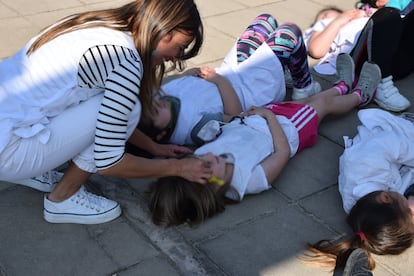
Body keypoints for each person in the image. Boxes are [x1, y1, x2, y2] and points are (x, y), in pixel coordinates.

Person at [0, 0, 210, 225]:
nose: (176, 58)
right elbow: (109, 162)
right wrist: (178, 168)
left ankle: (36, 170)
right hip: (8, 151)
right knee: (131, 109)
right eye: (181, 47)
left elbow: (110, 118)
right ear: (165, 30)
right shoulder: (125, 61)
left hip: (9, 123)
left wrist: (153, 147)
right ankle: (62, 199)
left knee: (108, 103)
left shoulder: (97, 24)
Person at [146, 53, 382, 227]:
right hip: (289, 129)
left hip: (259, 118)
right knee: (321, 106)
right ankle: (360, 95)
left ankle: (342, 86)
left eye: (198, 156)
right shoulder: (249, 181)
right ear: (211, 187)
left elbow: (226, 130)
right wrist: (269, 117)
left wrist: (250, 116)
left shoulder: (200, 163)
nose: (205, 154)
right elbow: (282, 153)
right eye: (206, 163)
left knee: (302, 103)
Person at [128, 14, 322, 157]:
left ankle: (285, 68)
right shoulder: (195, 129)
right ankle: (303, 87)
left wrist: (187, 74)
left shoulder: (158, 101)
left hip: (233, 71)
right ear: (162, 135)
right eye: (154, 113)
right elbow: (236, 116)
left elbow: (177, 86)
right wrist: (218, 81)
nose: (155, 103)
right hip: (252, 89)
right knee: (289, 33)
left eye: (148, 103)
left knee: (266, 21)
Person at [304, 108, 414, 273]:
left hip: (392, 134)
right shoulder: (366, 214)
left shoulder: (366, 163)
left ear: (385, 198)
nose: (410, 211)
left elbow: (393, 144)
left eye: (408, 212)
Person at [304, 3, 414, 112]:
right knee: (388, 14)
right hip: (367, 64)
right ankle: (380, 82)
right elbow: (316, 50)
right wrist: (340, 19)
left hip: (397, 58)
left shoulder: (364, 16)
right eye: (325, 15)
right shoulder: (330, 24)